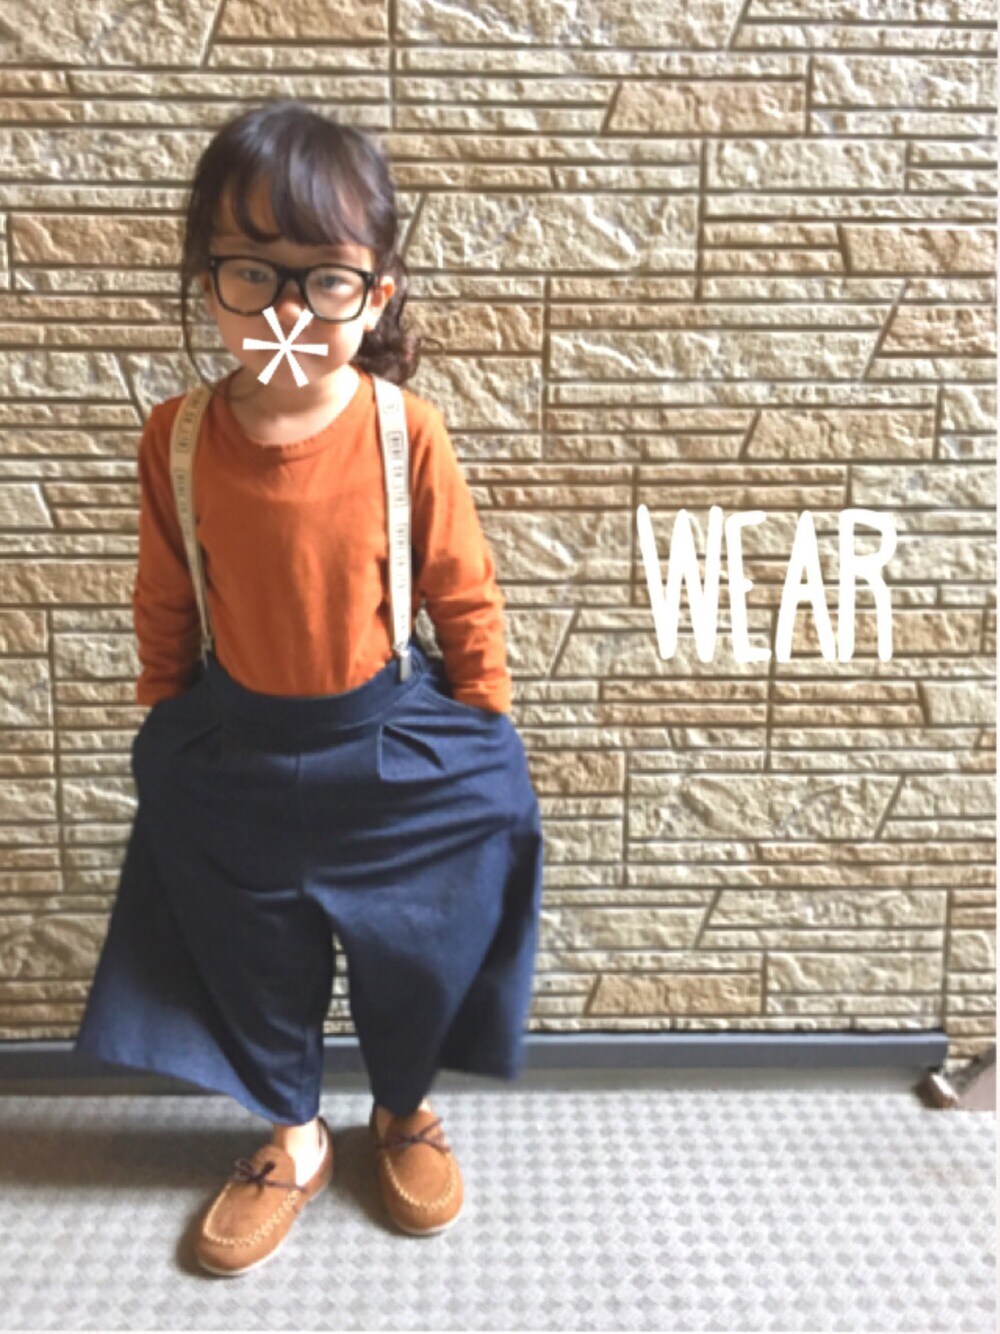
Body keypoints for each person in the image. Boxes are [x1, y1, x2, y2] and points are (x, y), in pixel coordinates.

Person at [73, 99, 545, 1276]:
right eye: (252, 272)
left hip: (386, 742)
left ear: (374, 294)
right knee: (248, 951)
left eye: (323, 279)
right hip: (235, 742)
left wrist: (483, 712)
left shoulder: (402, 429)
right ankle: (292, 1129)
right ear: (208, 283)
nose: (286, 310)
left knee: (422, 941)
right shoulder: (178, 437)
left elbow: (463, 585)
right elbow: (166, 589)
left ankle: (401, 1106)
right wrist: (164, 707)